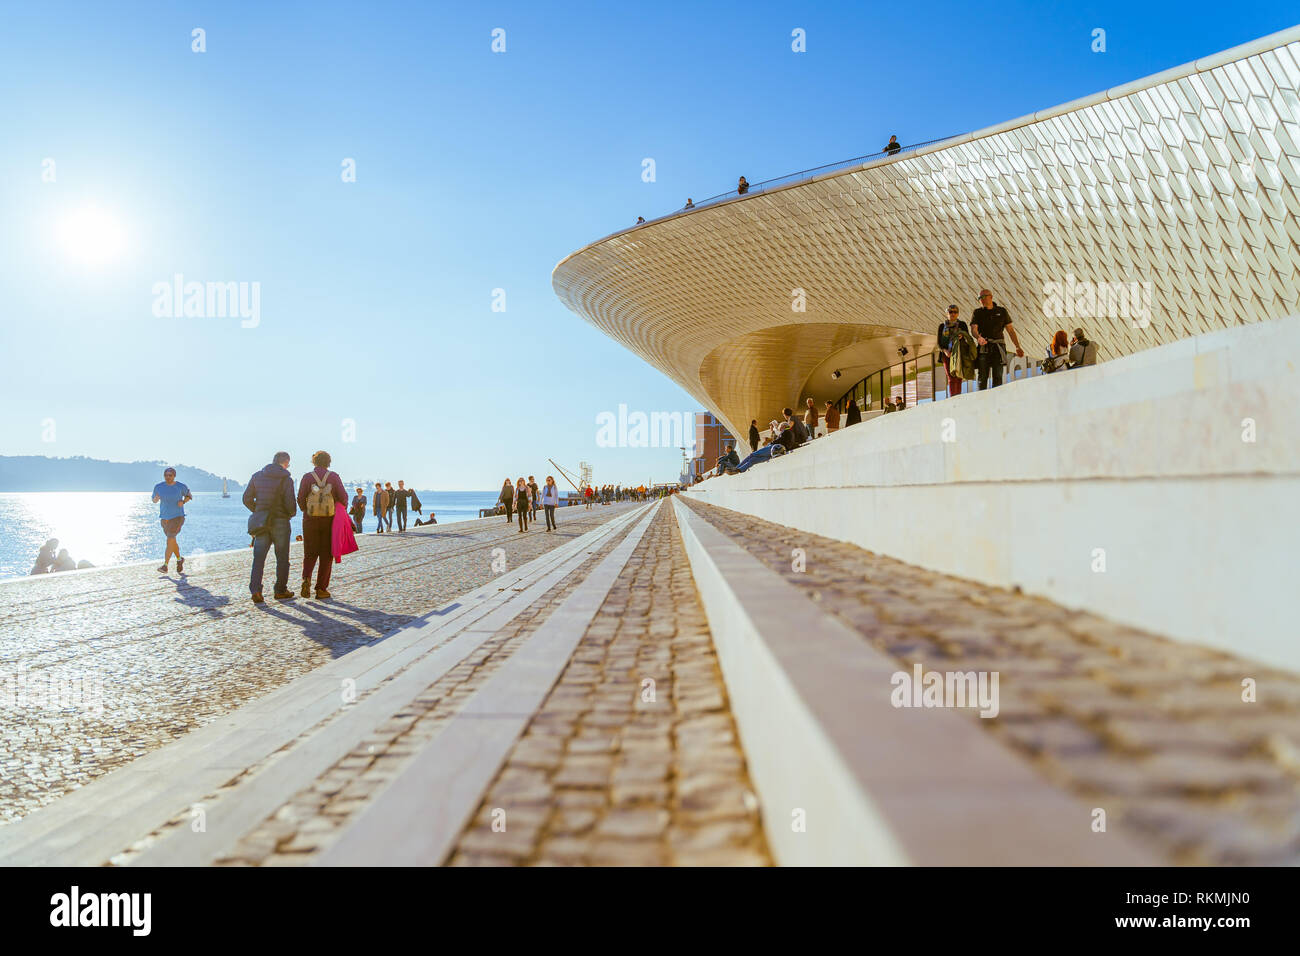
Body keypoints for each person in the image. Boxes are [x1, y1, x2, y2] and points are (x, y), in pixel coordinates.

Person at [243, 451, 296, 603]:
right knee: (282, 557)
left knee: (258, 557)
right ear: (285, 462)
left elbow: (246, 498)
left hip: (262, 522)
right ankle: (280, 590)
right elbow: (291, 504)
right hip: (280, 522)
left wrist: (258, 510)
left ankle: (256, 590)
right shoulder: (286, 479)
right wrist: (289, 514)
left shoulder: (257, 476)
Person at [297, 450, 347, 599]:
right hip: (329, 520)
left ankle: (306, 578)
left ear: (314, 462)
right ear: (328, 462)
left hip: (310, 520)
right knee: (326, 555)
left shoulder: (307, 477)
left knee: (310, 553)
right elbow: (343, 497)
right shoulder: (333, 477)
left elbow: (300, 498)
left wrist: (306, 511)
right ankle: (321, 589)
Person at [970, 289, 1024, 390]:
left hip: (998, 348)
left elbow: (1010, 330)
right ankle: (982, 402)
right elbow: (974, 329)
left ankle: (997, 401)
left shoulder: (1001, 311)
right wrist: (978, 337)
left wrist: (1017, 346)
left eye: (983, 297)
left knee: (998, 376)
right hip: (984, 347)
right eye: (979, 298)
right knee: (982, 377)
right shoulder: (977, 312)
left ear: (990, 297)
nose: (981, 300)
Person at [151, 466, 192, 574]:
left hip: (177, 517)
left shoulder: (180, 486)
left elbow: (189, 496)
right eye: (166, 475)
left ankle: (165, 566)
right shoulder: (158, 487)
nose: (168, 477)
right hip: (164, 519)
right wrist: (155, 499)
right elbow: (154, 500)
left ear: (174, 476)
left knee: (170, 539)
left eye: (170, 475)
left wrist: (183, 502)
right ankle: (179, 559)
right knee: (172, 541)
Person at [937, 306, 970, 398]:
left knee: (958, 376)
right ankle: (953, 397)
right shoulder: (942, 326)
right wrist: (945, 351)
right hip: (947, 354)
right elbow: (939, 342)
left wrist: (962, 336)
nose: (953, 314)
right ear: (947, 314)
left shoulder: (962, 324)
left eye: (955, 312)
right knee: (951, 376)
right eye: (950, 312)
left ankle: (958, 397)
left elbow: (967, 336)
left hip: (959, 352)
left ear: (958, 313)